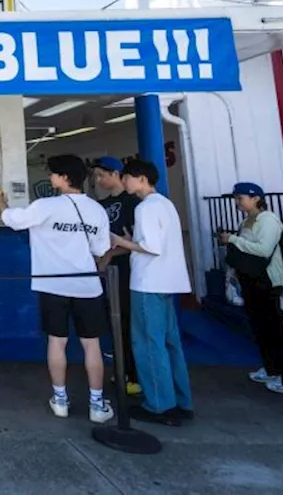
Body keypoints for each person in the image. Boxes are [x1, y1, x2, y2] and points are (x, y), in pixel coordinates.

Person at [1, 155, 115, 423]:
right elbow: (101, 249)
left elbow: (13, 220)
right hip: (87, 285)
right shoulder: (96, 210)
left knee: (57, 341)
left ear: (65, 178)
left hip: (52, 284)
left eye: (53, 173)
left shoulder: (46, 206)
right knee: (92, 345)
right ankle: (97, 405)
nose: (50, 177)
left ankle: (60, 400)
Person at [109, 159, 194, 426]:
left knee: (147, 343)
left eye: (127, 177)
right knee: (170, 344)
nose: (124, 182)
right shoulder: (165, 204)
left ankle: (159, 405)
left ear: (142, 179)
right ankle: (181, 401)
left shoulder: (145, 207)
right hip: (169, 282)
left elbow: (151, 246)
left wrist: (122, 241)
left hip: (148, 283)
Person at [217, 182, 283, 394]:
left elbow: (264, 249)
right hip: (250, 280)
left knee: (277, 328)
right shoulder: (247, 220)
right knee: (260, 327)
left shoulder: (268, 220)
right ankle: (272, 368)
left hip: (268, 282)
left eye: (241, 198)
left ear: (256, 198)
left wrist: (233, 239)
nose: (237, 202)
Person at [91, 156, 142, 398]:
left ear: (116, 173)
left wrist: (111, 255)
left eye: (102, 175)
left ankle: (133, 375)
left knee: (128, 323)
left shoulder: (134, 203)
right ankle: (122, 370)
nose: (98, 180)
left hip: (127, 271)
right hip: (105, 271)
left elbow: (136, 241)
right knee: (114, 323)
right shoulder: (102, 204)